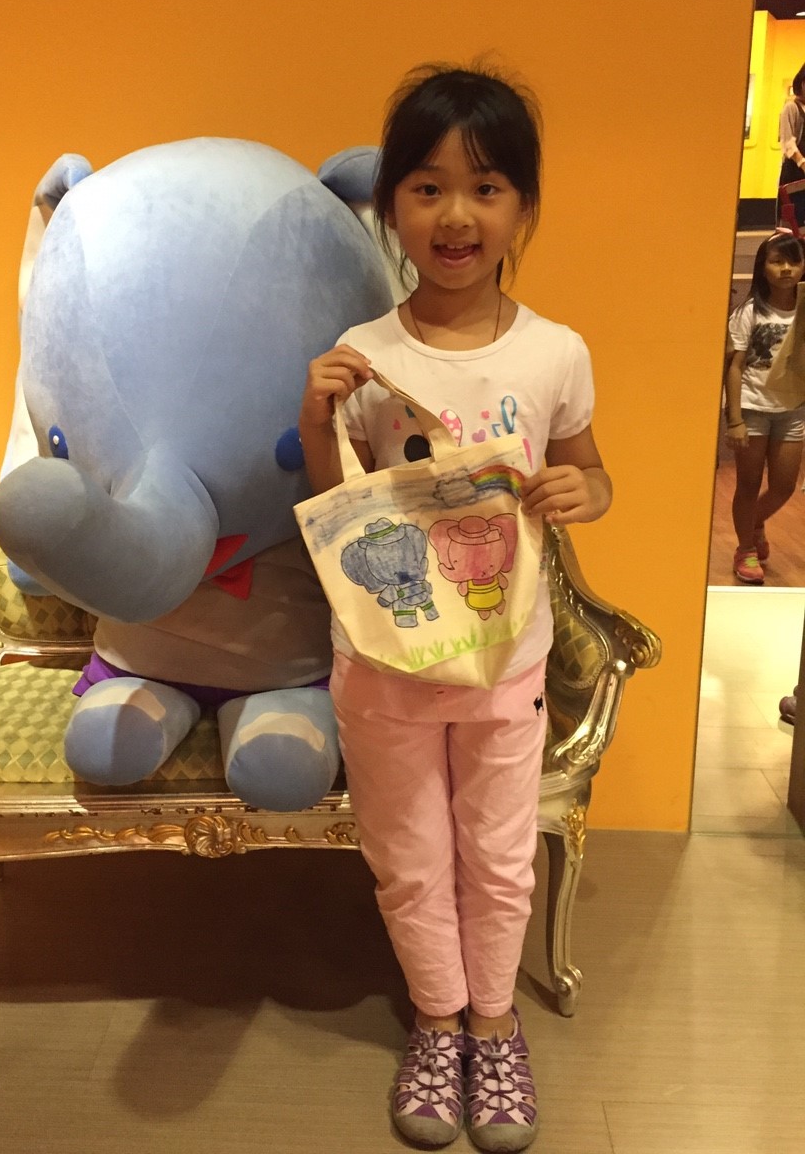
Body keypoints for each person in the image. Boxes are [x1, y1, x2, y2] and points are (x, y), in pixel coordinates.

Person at [299, 63, 612, 1152]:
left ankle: (495, 1024)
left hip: (505, 659)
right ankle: (438, 1021)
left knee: (498, 851)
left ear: (523, 205)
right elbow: (335, 510)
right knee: (409, 854)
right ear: (393, 207)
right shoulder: (367, 354)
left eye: (485, 186)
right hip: (384, 664)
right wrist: (316, 417)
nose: (456, 215)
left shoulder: (555, 351)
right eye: (427, 187)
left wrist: (585, 492)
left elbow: (591, 471)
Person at [724, 231, 805, 584]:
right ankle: (745, 548)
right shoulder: (749, 312)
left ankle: (754, 523)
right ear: (763, 267)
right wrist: (735, 419)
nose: (786, 269)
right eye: (777, 261)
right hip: (753, 407)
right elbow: (735, 367)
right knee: (749, 482)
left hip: (793, 408)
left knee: (785, 485)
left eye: (794, 261)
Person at [777, 64, 805, 231]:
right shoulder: (791, 108)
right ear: (801, 83)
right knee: (792, 223)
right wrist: (802, 163)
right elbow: (788, 143)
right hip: (794, 174)